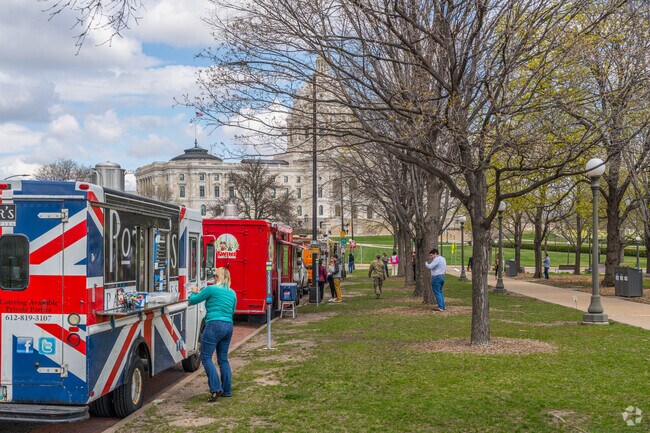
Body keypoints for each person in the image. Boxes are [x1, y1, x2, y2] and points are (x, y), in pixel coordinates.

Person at [188, 267, 237, 402]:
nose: (213, 278)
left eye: (214, 275)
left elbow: (193, 300)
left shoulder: (211, 289)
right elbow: (232, 310)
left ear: (218, 277)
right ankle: (227, 391)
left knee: (206, 358)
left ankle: (215, 388)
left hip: (214, 325)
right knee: (223, 359)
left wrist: (193, 292)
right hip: (228, 326)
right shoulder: (232, 293)